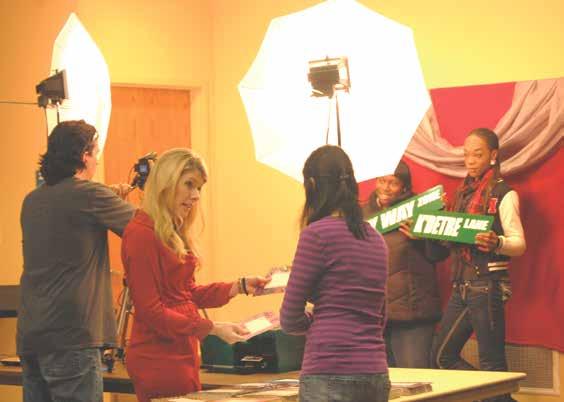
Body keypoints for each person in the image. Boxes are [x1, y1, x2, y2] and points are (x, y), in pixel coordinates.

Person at [121, 148, 269, 402]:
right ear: (166, 183)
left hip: (182, 350)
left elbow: (187, 294)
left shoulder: (170, 232)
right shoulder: (141, 234)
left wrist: (238, 286)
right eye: (189, 185)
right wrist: (211, 328)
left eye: (199, 188)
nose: (196, 195)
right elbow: (151, 311)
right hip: (158, 358)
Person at [17, 120, 136, 402]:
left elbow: (68, 221)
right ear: (84, 155)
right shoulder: (90, 195)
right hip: (72, 337)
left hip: (32, 337)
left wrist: (107, 197)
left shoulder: (32, 200)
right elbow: (147, 229)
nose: (97, 161)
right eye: (95, 153)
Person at [280, 145, 391, 402]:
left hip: (327, 369)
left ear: (312, 184)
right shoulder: (376, 238)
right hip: (374, 371)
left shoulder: (316, 235)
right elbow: (381, 314)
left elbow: (289, 317)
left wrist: (318, 319)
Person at [430, 128, 526, 402]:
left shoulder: (504, 193)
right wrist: (435, 221)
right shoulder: (460, 194)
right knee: (441, 357)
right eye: (466, 155)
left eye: (478, 154)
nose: (470, 161)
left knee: (492, 366)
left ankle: (493, 394)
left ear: (493, 155)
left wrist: (497, 242)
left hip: (488, 284)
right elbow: (450, 239)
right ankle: (492, 395)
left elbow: (519, 243)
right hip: (461, 284)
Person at [363, 161, 443, 368]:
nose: (386, 187)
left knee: (416, 378)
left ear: (405, 187)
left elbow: (440, 254)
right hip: (374, 314)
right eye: (382, 181)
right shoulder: (361, 214)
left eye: (393, 183)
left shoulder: (421, 210)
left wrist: (424, 237)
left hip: (413, 313)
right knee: (383, 378)